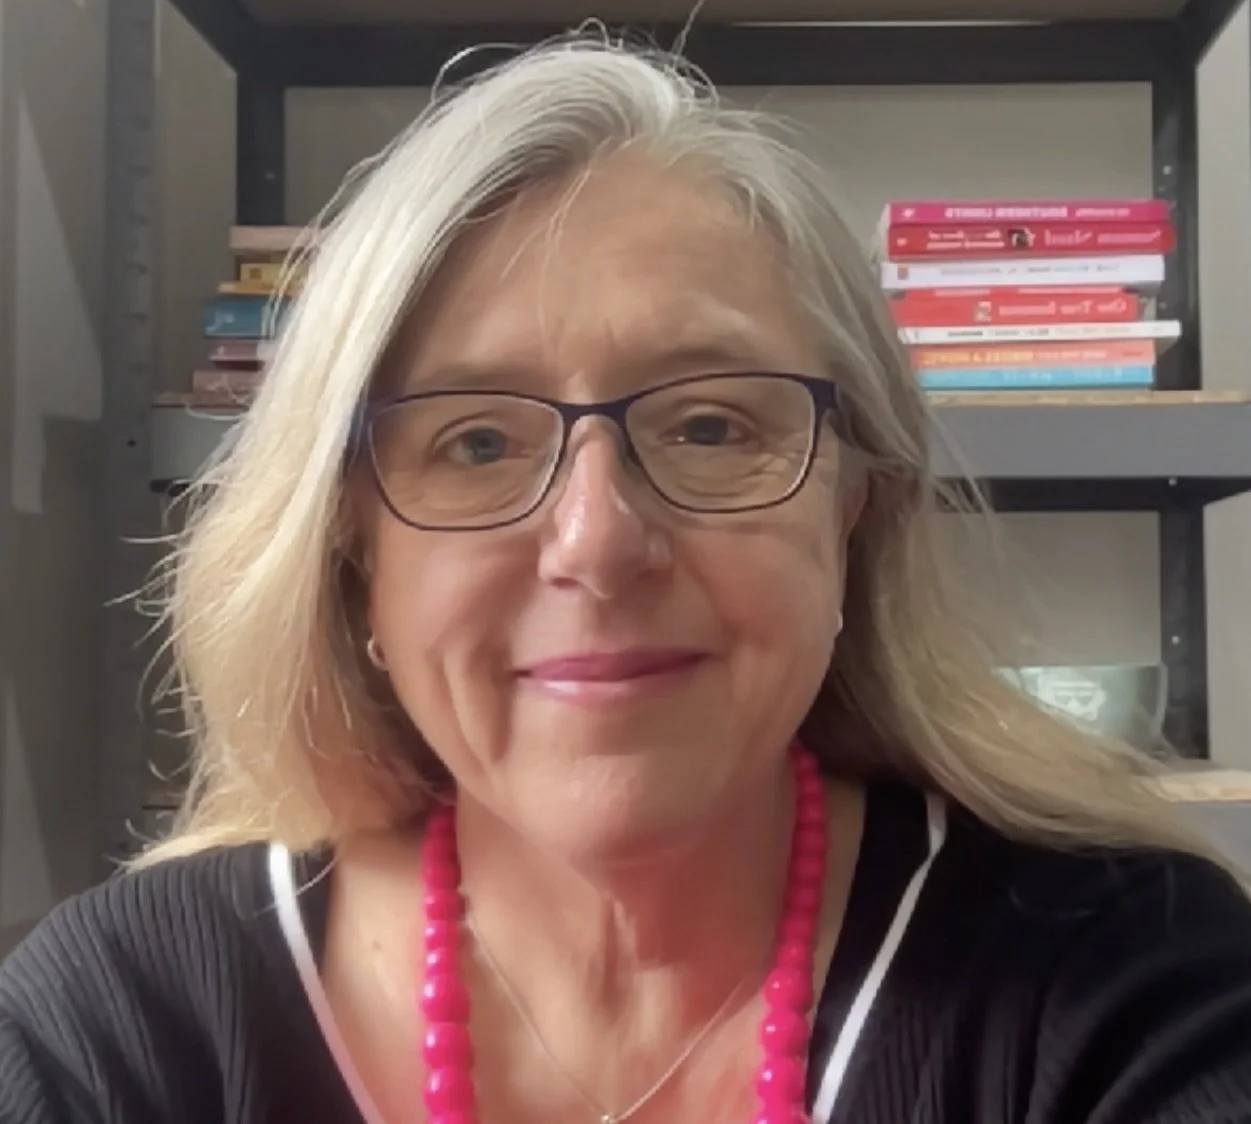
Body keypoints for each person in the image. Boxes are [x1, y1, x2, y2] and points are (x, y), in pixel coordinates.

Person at [3, 33, 1250, 1124]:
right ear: (352, 550)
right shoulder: (114, 1032)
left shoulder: (1129, 984)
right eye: (476, 442)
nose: (596, 541)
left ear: (857, 506)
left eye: (710, 425)